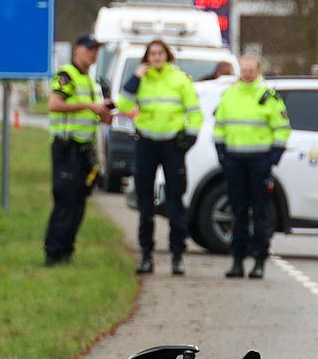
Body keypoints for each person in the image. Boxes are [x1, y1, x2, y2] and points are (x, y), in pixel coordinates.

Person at [115, 39, 203, 275]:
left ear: (167, 55)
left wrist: (190, 139)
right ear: (146, 58)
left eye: (160, 53)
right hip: (146, 143)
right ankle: (146, 256)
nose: (156, 57)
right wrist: (135, 77)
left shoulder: (180, 79)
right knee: (145, 202)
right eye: (152, 54)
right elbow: (123, 104)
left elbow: (194, 112)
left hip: (172, 144)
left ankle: (177, 256)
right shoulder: (142, 80)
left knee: (175, 200)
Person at [210, 51, 290, 278]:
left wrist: (272, 159)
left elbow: (282, 130)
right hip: (234, 161)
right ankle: (237, 261)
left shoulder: (268, 96)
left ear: (258, 72)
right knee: (238, 212)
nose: (246, 74)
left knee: (261, 212)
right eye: (243, 70)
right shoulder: (230, 95)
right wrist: (222, 154)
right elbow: (219, 127)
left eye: (250, 71)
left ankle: (259, 261)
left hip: (259, 162)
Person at [44, 33, 113, 266]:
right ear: (77, 50)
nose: (93, 53)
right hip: (67, 147)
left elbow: (92, 112)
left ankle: (67, 251)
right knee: (65, 201)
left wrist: (103, 114)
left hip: (85, 149)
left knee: (79, 202)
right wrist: (89, 106)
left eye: (96, 49)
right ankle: (53, 253)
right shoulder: (67, 75)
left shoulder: (91, 80)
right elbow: (54, 104)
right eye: (89, 48)